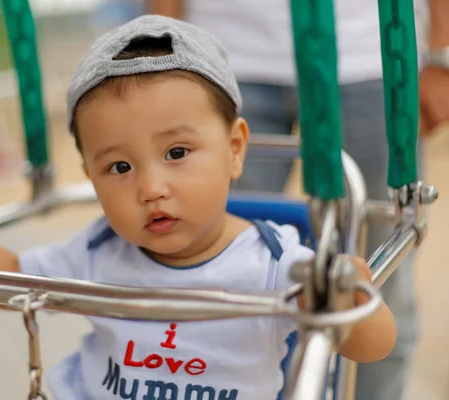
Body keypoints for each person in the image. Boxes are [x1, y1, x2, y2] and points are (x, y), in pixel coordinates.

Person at [0, 15, 396, 400]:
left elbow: (372, 347)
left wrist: (346, 294)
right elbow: (6, 278)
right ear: (91, 177)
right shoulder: (101, 249)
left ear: (236, 149)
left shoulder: (273, 262)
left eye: (176, 153)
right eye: (119, 168)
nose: (150, 187)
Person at [149, 1, 449, 399]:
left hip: (367, 56)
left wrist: (441, 53)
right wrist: (158, 54)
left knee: (372, 283)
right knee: (214, 274)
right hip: (220, 54)